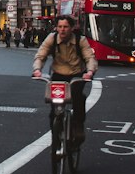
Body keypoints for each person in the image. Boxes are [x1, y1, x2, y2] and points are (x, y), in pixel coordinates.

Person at [31, 15, 97, 147]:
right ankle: (56, 133)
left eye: (65, 27)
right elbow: (41, 55)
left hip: (77, 75)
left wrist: (89, 72)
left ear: (72, 28)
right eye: (60, 27)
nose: (62, 30)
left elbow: (90, 58)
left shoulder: (81, 40)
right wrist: (37, 69)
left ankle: (78, 126)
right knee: (54, 107)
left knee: (78, 98)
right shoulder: (52, 38)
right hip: (58, 75)